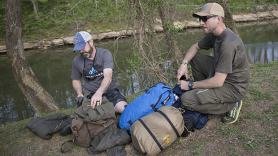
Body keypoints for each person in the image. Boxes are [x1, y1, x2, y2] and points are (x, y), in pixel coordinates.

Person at [176, 3, 250, 124]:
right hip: (221, 76)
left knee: (186, 100)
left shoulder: (228, 44)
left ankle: (231, 105)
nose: (201, 22)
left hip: (233, 87)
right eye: (200, 19)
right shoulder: (215, 35)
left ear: (219, 19)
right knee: (195, 58)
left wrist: (190, 85)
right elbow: (195, 47)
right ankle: (204, 94)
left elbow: (218, 81)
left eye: (205, 19)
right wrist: (183, 64)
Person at [71, 31, 127, 113]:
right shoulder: (77, 61)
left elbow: (108, 77)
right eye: (79, 49)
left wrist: (99, 93)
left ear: (91, 42)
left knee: (122, 108)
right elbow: (75, 80)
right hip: (90, 94)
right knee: (89, 115)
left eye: (82, 47)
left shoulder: (105, 54)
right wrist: (79, 93)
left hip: (109, 91)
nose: (81, 51)